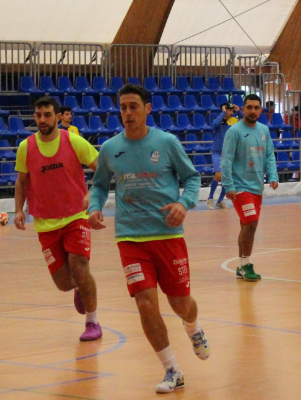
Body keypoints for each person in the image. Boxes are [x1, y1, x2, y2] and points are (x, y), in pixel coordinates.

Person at [87, 84, 209, 394]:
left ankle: (193, 326)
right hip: (130, 238)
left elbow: (192, 178)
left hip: (167, 235)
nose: (127, 113)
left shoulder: (166, 143)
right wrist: (94, 207)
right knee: (145, 304)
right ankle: (172, 369)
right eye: (123, 107)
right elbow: (99, 185)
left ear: (148, 109)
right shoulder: (110, 148)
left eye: (133, 107)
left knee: (181, 304)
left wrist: (184, 203)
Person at [13, 96, 101, 341]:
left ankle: (92, 321)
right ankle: (79, 287)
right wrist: (19, 210)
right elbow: (21, 182)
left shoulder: (73, 140)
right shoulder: (25, 147)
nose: (42, 119)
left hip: (76, 216)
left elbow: (102, 168)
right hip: (45, 223)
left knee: (79, 266)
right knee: (63, 282)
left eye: (47, 115)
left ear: (58, 117)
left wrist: (93, 194)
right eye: (38, 115)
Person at [221, 93, 279, 282]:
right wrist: (228, 185)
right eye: (249, 107)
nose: (253, 111)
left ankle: (240, 266)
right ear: (243, 109)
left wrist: (273, 176)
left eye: (256, 108)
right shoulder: (234, 131)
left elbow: (269, 155)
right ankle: (247, 264)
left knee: (247, 225)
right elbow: (226, 160)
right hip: (240, 188)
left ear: (260, 110)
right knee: (252, 223)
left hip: (256, 187)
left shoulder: (264, 130)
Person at [207, 102, 243, 210]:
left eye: (232, 110)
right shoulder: (217, 119)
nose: (231, 112)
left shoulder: (234, 121)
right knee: (218, 175)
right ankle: (210, 198)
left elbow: (244, 119)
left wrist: (238, 111)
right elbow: (214, 124)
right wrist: (223, 112)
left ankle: (220, 201)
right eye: (229, 110)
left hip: (229, 153)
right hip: (217, 153)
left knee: (227, 178)